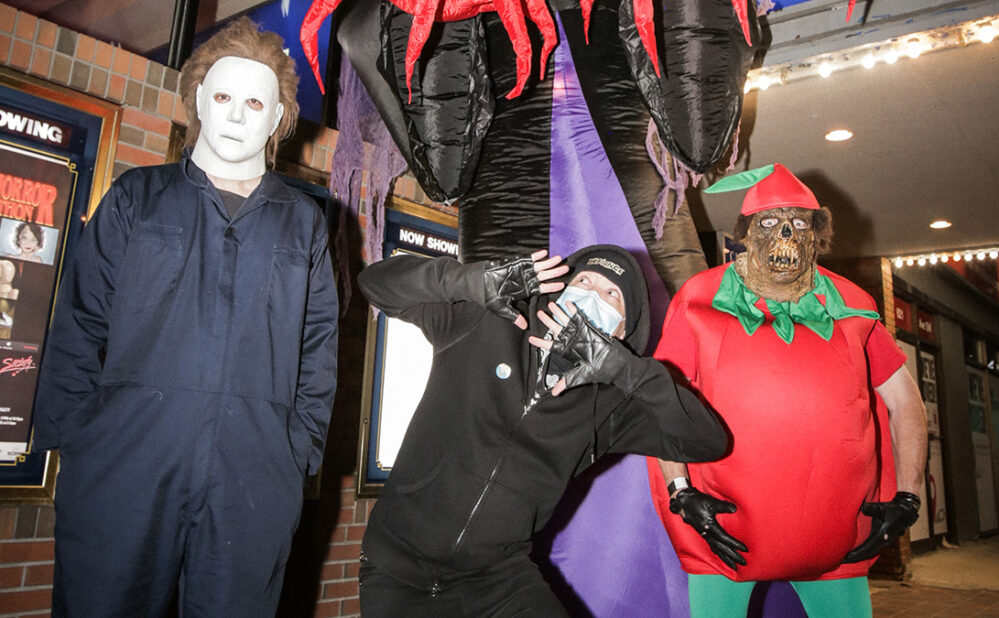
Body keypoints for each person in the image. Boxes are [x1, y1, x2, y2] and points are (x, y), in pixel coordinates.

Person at [31, 18, 339, 616]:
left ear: (278, 118)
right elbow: (80, 319)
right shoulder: (135, 198)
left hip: (252, 476)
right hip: (125, 465)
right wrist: (82, 440)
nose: (237, 114)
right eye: (223, 96)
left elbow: (317, 346)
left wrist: (294, 450)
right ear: (198, 98)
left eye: (256, 102)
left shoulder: (302, 224)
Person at [356, 244, 728, 616]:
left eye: (611, 294)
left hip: (497, 581)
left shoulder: (611, 405)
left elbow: (707, 441)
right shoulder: (484, 324)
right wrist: (473, 280)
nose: (590, 296)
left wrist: (626, 371)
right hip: (396, 567)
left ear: (622, 331)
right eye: (583, 281)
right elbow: (376, 284)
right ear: (560, 292)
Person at [651, 164, 928, 617]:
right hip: (726, 527)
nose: (785, 232)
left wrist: (909, 494)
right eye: (768, 221)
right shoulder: (701, 298)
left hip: (836, 527)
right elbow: (662, 401)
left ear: (817, 232)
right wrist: (681, 490)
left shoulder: (853, 304)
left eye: (799, 222)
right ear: (744, 232)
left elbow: (904, 399)